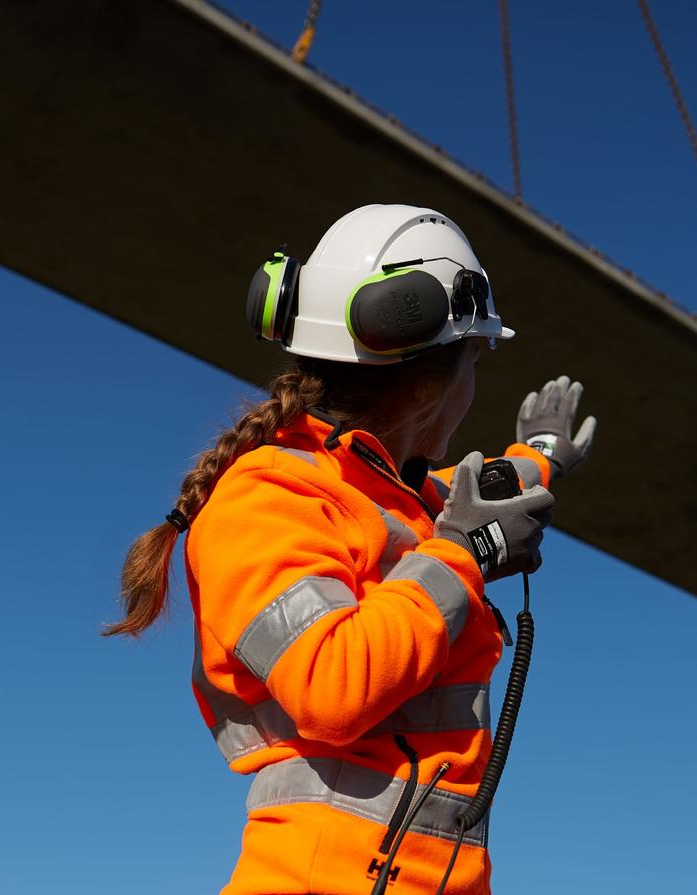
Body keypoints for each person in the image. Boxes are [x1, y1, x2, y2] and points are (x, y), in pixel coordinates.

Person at [106, 204, 597, 894]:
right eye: (475, 362)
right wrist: (469, 550)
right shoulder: (267, 497)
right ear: (433, 379)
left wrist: (541, 457)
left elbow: (477, 491)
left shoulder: (396, 496)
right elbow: (330, 683)